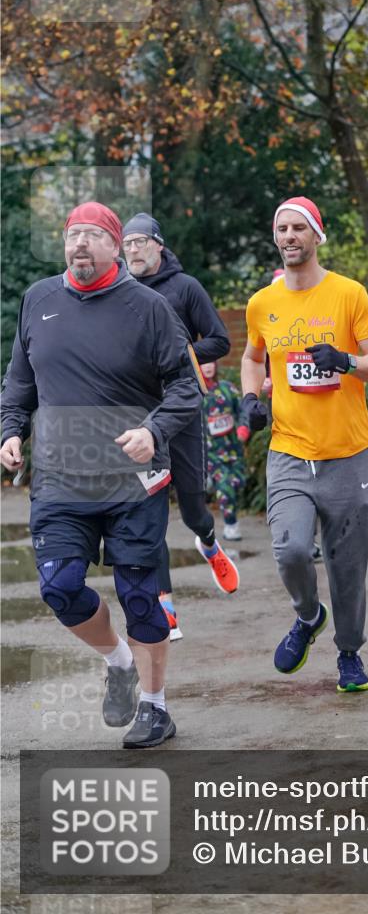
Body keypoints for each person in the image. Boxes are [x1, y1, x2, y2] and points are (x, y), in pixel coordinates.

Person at [0, 201, 202, 747]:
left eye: (93, 234)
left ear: (118, 245)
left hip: (132, 478)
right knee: (60, 587)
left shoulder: (150, 307)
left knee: (140, 596)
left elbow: (186, 388)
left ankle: (156, 709)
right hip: (61, 478)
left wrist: (154, 431)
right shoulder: (38, 300)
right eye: (73, 235)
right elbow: (19, 382)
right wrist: (10, 431)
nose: (80, 244)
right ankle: (118, 662)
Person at [240, 196, 368, 692]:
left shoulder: (348, 295)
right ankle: (308, 617)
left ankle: (349, 654)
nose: (288, 236)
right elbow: (252, 356)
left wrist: (344, 361)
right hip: (288, 450)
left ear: (316, 236)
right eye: (281, 228)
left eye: (298, 228)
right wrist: (250, 398)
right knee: (288, 550)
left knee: (348, 567)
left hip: (348, 455)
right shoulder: (263, 302)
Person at [122, 213, 237, 641]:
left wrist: (179, 351)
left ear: (159, 246)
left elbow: (220, 340)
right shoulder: (122, 293)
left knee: (191, 507)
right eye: (126, 243)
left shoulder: (185, 288)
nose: (131, 250)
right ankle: (165, 606)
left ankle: (208, 540)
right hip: (140, 418)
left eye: (139, 242)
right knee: (151, 512)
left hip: (182, 409)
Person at [199, 361, 246, 541]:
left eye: (211, 362)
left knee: (236, 484)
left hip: (233, 450)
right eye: (203, 363)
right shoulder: (196, 393)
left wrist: (244, 428)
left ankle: (210, 485)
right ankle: (231, 525)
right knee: (226, 486)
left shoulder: (228, 389)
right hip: (211, 454)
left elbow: (244, 411)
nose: (208, 366)